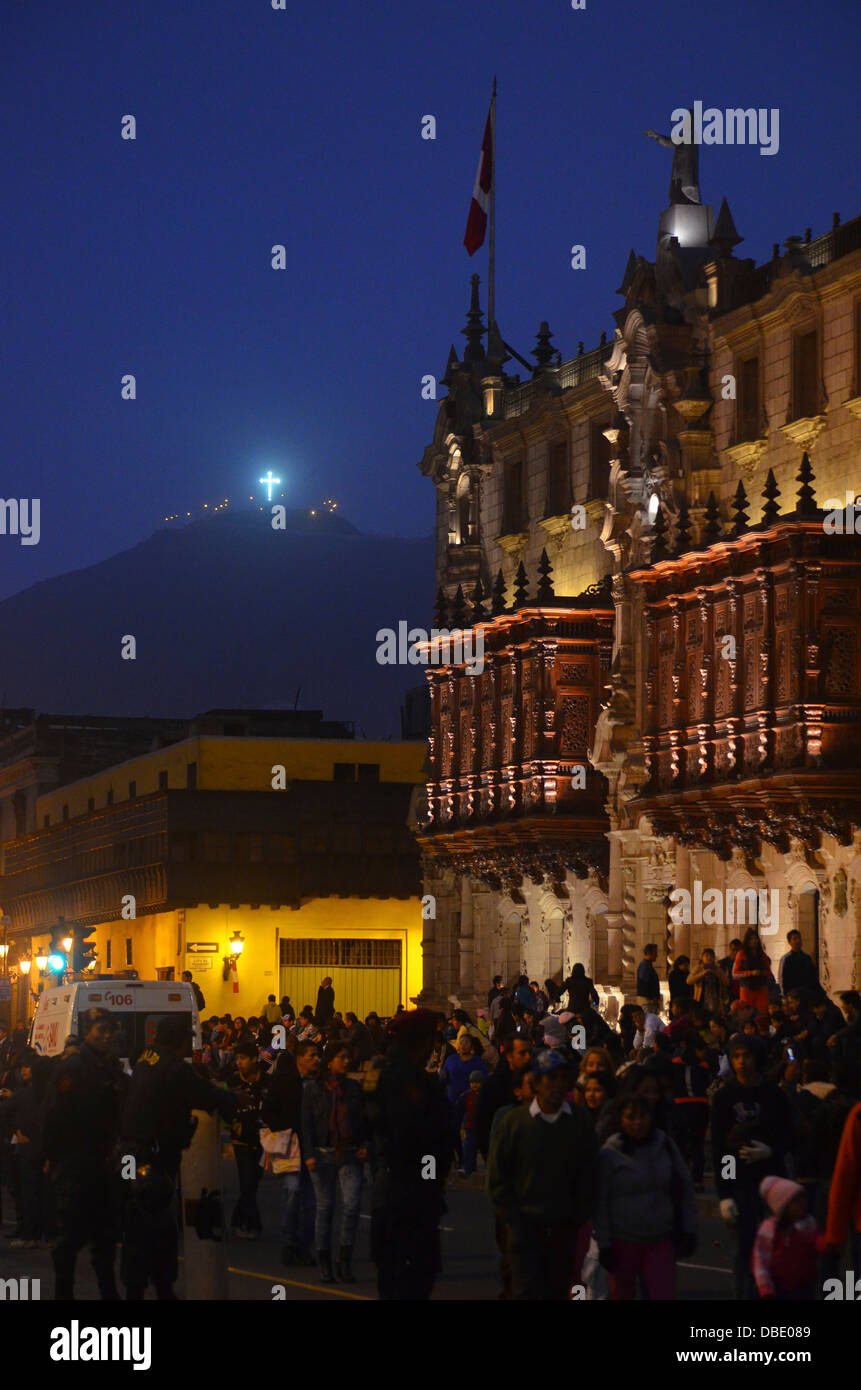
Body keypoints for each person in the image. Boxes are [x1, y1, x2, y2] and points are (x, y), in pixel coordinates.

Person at [120, 1015, 236, 1299]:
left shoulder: (147, 1059)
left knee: (136, 1229)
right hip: (153, 1161)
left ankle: (140, 1287)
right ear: (179, 1038)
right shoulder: (173, 1067)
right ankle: (160, 1287)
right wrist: (234, 1099)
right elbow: (203, 1094)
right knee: (159, 1233)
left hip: (131, 1158)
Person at [486, 1049, 599, 1300]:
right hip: (525, 1228)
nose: (558, 1085)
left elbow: (589, 1170)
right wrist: (513, 1217)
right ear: (536, 1083)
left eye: (563, 1078)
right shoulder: (515, 1122)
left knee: (558, 1289)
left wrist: (578, 1213)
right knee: (525, 1290)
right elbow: (498, 1176)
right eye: (551, 1078)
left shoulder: (578, 1120)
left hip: (564, 1227)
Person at [370, 1009, 457, 1300]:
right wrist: (430, 1180)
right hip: (411, 1191)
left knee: (392, 1278)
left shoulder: (380, 1073)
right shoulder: (411, 1082)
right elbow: (428, 1139)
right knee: (414, 1278)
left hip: (390, 1186)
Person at [42, 1008, 128, 1300]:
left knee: (105, 1238)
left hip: (105, 1164)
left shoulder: (111, 1068)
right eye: (99, 1030)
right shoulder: (74, 1067)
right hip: (76, 1163)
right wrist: (53, 1157)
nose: (106, 1036)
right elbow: (54, 1116)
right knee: (69, 1239)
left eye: (109, 1030)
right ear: (87, 1032)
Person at [711, 1037, 794, 1300]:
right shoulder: (725, 1097)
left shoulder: (773, 1095)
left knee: (775, 1249)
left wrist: (772, 1151)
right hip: (739, 1182)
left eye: (746, 1056)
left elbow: (787, 1134)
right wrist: (725, 1193)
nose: (741, 1062)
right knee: (741, 1251)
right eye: (735, 1057)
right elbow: (720, 1147)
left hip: (772, 1182)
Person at [596, 1095, 697, 1300]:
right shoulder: (609, 1153)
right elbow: (601, 1201)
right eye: (630, 1117)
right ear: (620, 1120)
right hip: (622, 1241)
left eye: (643, 1116)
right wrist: (604, 1243)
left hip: (660, 1239)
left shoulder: (664, 1144)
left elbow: (685, 1187)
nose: (638, 1122)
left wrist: (689, 1228)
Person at [302, 1041, 366, 1283]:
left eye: (348, 1057)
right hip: (321, 1153)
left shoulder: (353, 1087)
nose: (346, 1061)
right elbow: (306, 1123)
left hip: (348, 1152)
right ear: (330, 1061)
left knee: (351, 1205)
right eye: (341, 1057)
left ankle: (345, 1260)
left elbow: (363, 1119)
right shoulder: (313, 1089)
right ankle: (325, 1261)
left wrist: (364, 1146)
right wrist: (308, 1153)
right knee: (325, 1208)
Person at [262, 1040, 319, 1267]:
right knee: (292, 1193)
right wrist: (286, 1130)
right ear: (300, 1058)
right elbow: (268, 1111)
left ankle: (304, 1246)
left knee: (311, 1202)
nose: (316, 1059)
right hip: (291, 1145)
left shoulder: (319, 1083)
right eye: (312, 1055)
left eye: (318, 1055)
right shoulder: (284, 1082)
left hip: (314, 1148)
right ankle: (289, 1244)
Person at [227, 1040, 269, 1239]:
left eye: (243, 1058)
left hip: (262, 1141)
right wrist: (232, 1126)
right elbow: (225, 1110)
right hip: (241, 1140)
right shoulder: (233, 1082)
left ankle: (236, 1220)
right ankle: (254, 1224)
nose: (239, 1062)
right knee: (247, 1181)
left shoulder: (266, 1082)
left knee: (253, 1183)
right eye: (237, 1059)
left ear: (254, 1059)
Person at [751, 1176, 819, 1301]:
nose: (803, 1203)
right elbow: (760, 1263)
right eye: (796, 1200)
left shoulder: (809, 1226)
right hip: (777, 1290)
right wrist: (765, 1289)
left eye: (803, 1198)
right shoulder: (768, 1229)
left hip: (804, 1289)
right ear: (783, 1206)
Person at [733, 928, 772, 1015]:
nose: (754, 941)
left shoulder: (762, 955)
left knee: (762, 1015)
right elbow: (735, 974)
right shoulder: (741, 954)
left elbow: (769, 972)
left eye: (755, 938)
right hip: (747, 989)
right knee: (747, 1014)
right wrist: (750, 973)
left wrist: (762, 973)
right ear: (747, 941)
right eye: (751, 939)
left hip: (761, 988)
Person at [778, 930, 819, 996]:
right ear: (789, 942)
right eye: (794, 939)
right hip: (792, 996)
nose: (798, 941)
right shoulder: (786, 959)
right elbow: (782, 978)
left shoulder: (807, 958)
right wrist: (784, 995)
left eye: (799, 938)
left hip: (806, 994)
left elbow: (813, 977)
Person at [688, 949, 729, 1014]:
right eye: (706, 956)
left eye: (711, 956)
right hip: (701, 1000)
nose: (709, 958)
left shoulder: (717, 968)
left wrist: (718, 975)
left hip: (715, 1000)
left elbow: (726, 982)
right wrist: (702, 974)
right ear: (702, 958)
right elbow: (689, 980)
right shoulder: (698, 968)